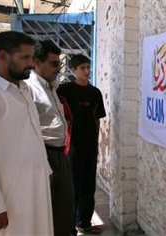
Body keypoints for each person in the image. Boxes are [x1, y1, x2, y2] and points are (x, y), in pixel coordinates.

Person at [0, 31, 53, 235]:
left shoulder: (24, 90)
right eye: (25, 57)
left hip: (35, 190)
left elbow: (33, 135)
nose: (31, 63)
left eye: (32, 57)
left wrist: (46, 169)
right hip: (7, 201)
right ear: (3, 57)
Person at [25, 40, 74, 236]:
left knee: (64, 208)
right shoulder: (28, 88)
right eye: (54, 64)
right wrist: (44, 165)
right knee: (48, 213)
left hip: (60, 154)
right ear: (37, 62)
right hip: (44, 155)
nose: (58, 68)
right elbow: (29, 132)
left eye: (59, 64)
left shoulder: (52, 85)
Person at [57, 54, 106, 235]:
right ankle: (69, 228)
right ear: (72, 70)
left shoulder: (95, 93)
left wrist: (97, 143)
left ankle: (84, 223)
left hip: (90, 147)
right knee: (73, 189)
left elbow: (97, 120)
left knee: (88, 187)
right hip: (71, 148)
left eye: (88, 67)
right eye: (82, 68)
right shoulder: (64, 91)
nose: (86, 71)